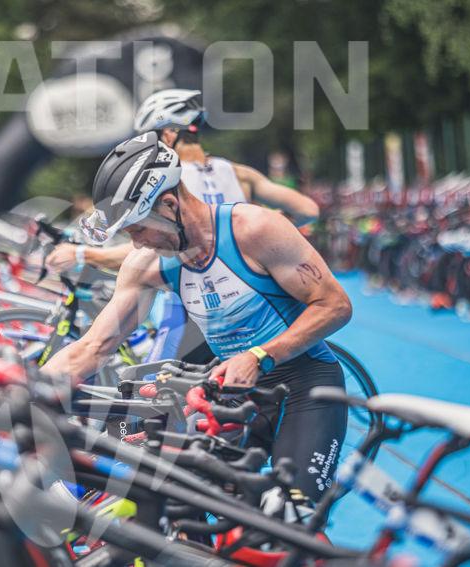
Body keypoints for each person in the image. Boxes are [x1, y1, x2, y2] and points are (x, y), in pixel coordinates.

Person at [43, 132, 352, 501]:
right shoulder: (147, 264)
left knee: (292, 512)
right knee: (188, 507)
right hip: (234, 392)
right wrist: (28, 388)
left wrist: (261, 356)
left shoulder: (255, 229)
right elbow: (94, 347)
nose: (137, 243)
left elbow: (335, 306)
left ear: (169, 204)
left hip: (305, 385)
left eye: (139, 229)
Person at [45, 89, 319, 273]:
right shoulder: (238, 172)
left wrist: (82, 254)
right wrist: (257, 232)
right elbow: (308, 210)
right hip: (246, 278)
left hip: (191, 297)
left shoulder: (166, 181)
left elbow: (147, 249)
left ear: (168, 135)